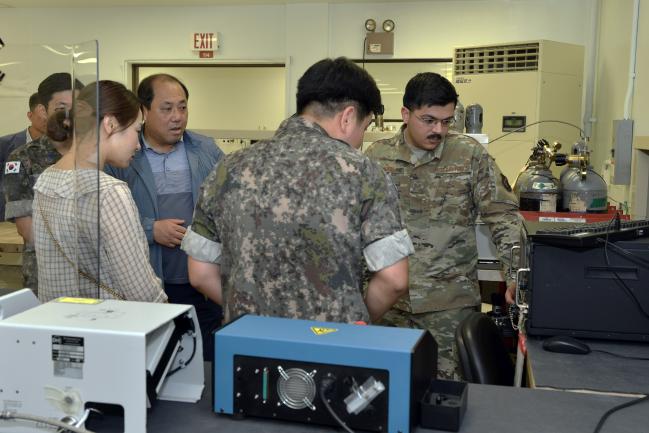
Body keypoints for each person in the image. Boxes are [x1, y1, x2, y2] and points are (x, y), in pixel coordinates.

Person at [181, 57, 414, 325]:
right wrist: (353, 317)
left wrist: (252, 311)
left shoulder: (228, 168)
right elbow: (394, 279)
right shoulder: (363, 172)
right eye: (365, 126)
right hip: (331, 345)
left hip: (248, 344)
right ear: (348, 117)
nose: (361, 140)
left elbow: (199, 273)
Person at [365, 72, 522, 380]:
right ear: (405, 114)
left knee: (448, 398)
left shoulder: (469, 156)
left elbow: (503, 217)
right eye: (429, 120)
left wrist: (517, 275)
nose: (439, 130)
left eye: (447, 121)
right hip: (389, 307)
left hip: (449, 308)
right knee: (384, 390)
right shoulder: (376, 157)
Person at [105, 74, 223, 358]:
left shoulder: (205, 150)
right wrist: (151, 229)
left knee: (204, 358)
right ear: (144, 111)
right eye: (166, 108)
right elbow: (104, 216)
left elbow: (228, 203)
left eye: (182, 108)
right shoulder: (123, 156)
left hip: (202, 280)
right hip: (149, 280)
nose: (177, 117)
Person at [33, 80, 167, 303]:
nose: (138, 145)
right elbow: (141, 291)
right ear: (110, 124)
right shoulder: (109, 192)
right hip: (109, 327)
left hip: (57, 324)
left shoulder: (46, 179)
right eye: (136, 130)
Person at [3, 73, 83, 294]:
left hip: (94, 273)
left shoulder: (95, 154)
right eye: (60, 109)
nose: (69, 116)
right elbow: (28, 229)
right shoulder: (23, 158)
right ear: (44, 111)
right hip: (46, 273)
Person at [0, 92, 48, 222]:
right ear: (30, 115)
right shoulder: (5, 145)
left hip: (47, 221)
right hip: (8, 222)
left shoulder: (62, 147)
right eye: (42, 115)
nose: (46, 120)